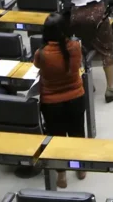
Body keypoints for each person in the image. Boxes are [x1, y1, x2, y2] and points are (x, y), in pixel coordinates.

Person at [32, 12, 88, 187]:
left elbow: (36, 66)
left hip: (51, 102)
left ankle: (61, 174)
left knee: (56, 137)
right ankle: (80, 167)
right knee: (77, 132)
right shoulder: (75, 47)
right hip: (75, 97)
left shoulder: (41, 53)